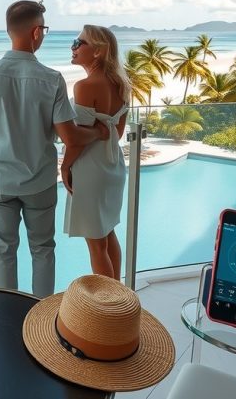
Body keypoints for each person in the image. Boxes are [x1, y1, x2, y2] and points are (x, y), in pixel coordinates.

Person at [0, 0, 107, 298]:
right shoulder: (52, 79)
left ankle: (6, 312)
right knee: (43, 250)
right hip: (39, 182)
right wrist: (97, 131)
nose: (43, 34)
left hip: (1, 181)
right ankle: (39, 313)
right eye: (43, 28)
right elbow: (69, 137)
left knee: (4, 251)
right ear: (35, 33)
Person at [61, 25, 129, 280]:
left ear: (98, 52)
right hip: (112, 168)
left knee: (96, 245)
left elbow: (77, 139)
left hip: (90, 170)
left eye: (79, 43)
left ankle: (108, 308)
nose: (73, 47)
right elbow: (117, 134)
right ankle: (120, 298)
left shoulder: (85, 86)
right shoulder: (121, 84)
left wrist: (65, 166)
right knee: (108, 233)